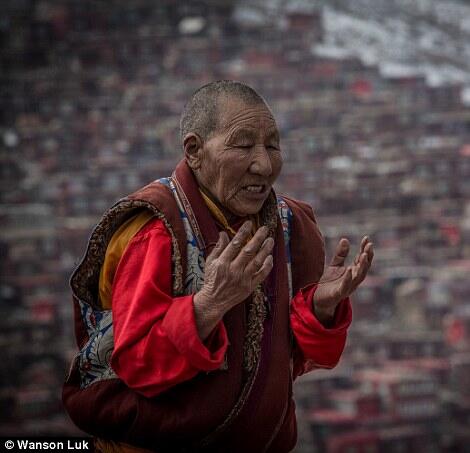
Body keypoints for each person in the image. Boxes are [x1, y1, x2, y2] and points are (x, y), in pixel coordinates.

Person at [63, 80, 374, 453]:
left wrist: (321, 307)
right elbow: (137, 366)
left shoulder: (289, 225)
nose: (263, 164)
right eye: (243, 145)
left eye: (272, 145)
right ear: (194, 151)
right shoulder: (158, 233)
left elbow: (296, 353)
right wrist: (208, 304)